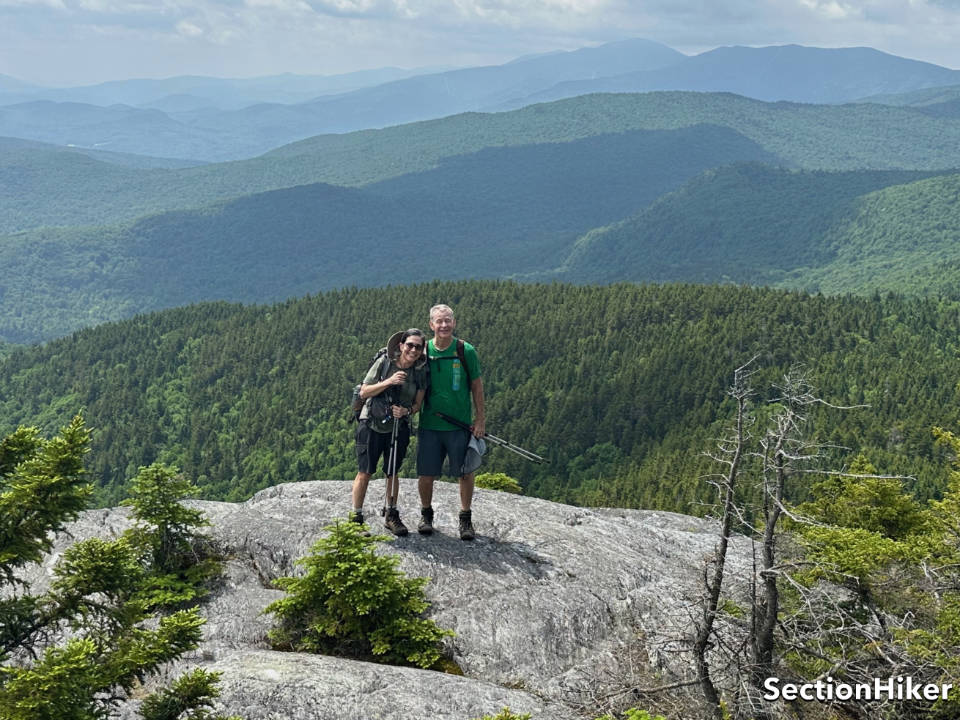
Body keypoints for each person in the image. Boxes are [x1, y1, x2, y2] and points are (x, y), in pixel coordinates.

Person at [416, 304, 485, 540]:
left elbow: (476, 386)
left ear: (454, 323)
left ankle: (465, 519)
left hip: (460, 425)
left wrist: (480, 420)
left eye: (447, 321)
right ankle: (426, 515)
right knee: (426, 474)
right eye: (439, 321)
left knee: (465, 473)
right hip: (429, 424)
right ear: (431, 325)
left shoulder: (465, 350)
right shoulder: (423, 351)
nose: (443, 325)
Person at [350, 328, 428, 536]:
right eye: (409, 345)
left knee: (392, 471)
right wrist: (389, 381)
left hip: (397, 426)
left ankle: (391, 515)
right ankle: (356, 518)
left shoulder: (420, 372)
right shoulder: (384, 363)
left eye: (418, 347)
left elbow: (417, 404)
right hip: (371, 424)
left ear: (421, 351)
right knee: (365, 471)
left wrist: (406, 411)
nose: (413, 349)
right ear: (401, 346)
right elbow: (364, 391)